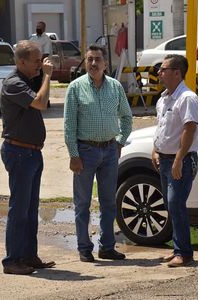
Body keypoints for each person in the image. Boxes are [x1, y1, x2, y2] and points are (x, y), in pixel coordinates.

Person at [64, 44, 133, 263]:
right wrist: (74, 154)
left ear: (105, 63)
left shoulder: (115, 87)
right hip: (85, 152)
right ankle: (85, 248)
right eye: (90, 59)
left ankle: (107, 247)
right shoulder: (75, 88)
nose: (94, 63)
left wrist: (120, 141)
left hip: (110, 151)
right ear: (85, 62)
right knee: (83, 203)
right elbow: (69, 125)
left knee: (108, 203)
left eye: (98, 59)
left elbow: (127, 117)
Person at [0, 40, 55, 275]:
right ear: (21, 61)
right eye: (35, 61)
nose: (39, 65)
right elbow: (41, 103)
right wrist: (48, 76)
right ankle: (12, 260)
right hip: (19, 152)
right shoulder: (13, 83)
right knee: (19, 209)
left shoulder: (27, 79)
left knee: (31, 210)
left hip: (32, 152)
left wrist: (42, 74)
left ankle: (29, 256)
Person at [151, 54, 198, 268]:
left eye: (163, 69)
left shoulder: (187, 98)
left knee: (176, 204)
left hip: (179, 161)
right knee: (171, 206)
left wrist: (179, 159)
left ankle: (184, 253)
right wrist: (155, 149)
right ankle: (177, 249)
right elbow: (163, 128)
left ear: (177, 73)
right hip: (164, 160)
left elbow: (190, 129)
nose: (159, 73)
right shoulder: (164, 99)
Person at [30, 21, 52, 107]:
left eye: (40, 27)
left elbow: (46, 53)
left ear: (44, 29)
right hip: (32, 66)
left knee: (41, 83)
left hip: (41, 67)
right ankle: (34, 100)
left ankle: (43, 101)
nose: (38, 28)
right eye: (37, 27)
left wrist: (38, 63)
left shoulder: (46, 39)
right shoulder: (33, 38)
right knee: (33, 84)